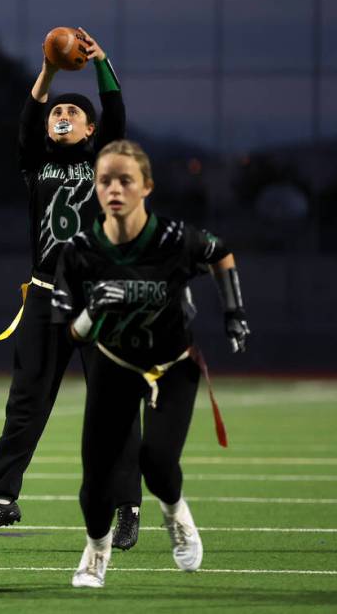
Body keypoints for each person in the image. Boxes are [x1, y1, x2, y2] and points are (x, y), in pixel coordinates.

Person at [0, 27, 143, 550]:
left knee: (113, 404)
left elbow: (116, 112)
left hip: (99, 297)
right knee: (25, 401)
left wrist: (101, 62)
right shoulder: (36, 164)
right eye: (54, 114)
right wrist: (47, 69)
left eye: (71, 114)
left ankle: (127, 506)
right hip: (45, 296)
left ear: (91, 131)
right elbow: (26, 122)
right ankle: (0, 500)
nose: (59, 117)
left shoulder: (102, 161)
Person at [52, 139, 250, 587]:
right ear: (96, 190)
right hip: (112, 363)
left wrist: (234, 311)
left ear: (147, 187)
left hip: (172, 363)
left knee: (158, 462)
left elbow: (221, 253)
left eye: (126, 180)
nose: (114, 189)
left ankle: (176, 513)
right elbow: (69, 332)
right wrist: (93, 311)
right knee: (97, 481)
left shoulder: (175, 239)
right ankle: (97, 550)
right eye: (105, 181)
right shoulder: (80, 249)